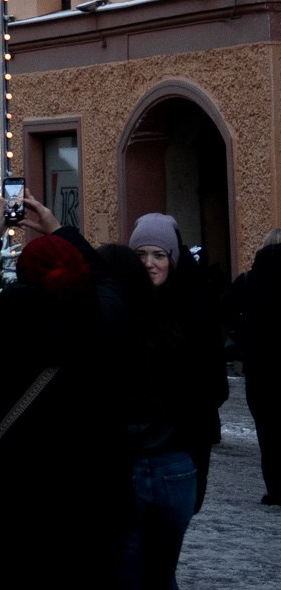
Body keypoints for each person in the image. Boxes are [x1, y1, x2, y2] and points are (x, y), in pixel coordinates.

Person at [0, 194, 127, 587]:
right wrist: (61, 231)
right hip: (91, 497)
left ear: (22, 274)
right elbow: (108, 279)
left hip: (12, 501)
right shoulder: (103, 319)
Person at [119, 213, 227, 589]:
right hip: (129, 460)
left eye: (158, 255)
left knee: (158, 572)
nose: (149, 263)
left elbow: (215, 388)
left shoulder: (194, 309)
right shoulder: (122, 307)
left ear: (173, 258)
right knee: (130, 571)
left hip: (174, 458)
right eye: (141, 254)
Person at [225, 227, 281, 504]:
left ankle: (275, 487)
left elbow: (224, 313)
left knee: (267, 430)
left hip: (259, 367)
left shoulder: (248, 281)